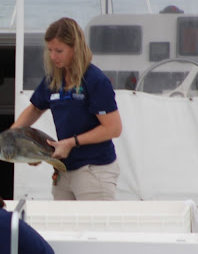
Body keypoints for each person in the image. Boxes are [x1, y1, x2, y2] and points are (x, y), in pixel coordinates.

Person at [11, 17, 121, 201]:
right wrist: (12, 134)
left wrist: (70, 143)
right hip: (63, 169)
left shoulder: (95, 80)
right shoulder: (54, 79)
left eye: (59, 51)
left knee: (94, 228)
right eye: (50, 50)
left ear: (75, 49)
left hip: (93, 170)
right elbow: (35, 109)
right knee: (63, 227)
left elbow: (113, 128)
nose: (53, 57)